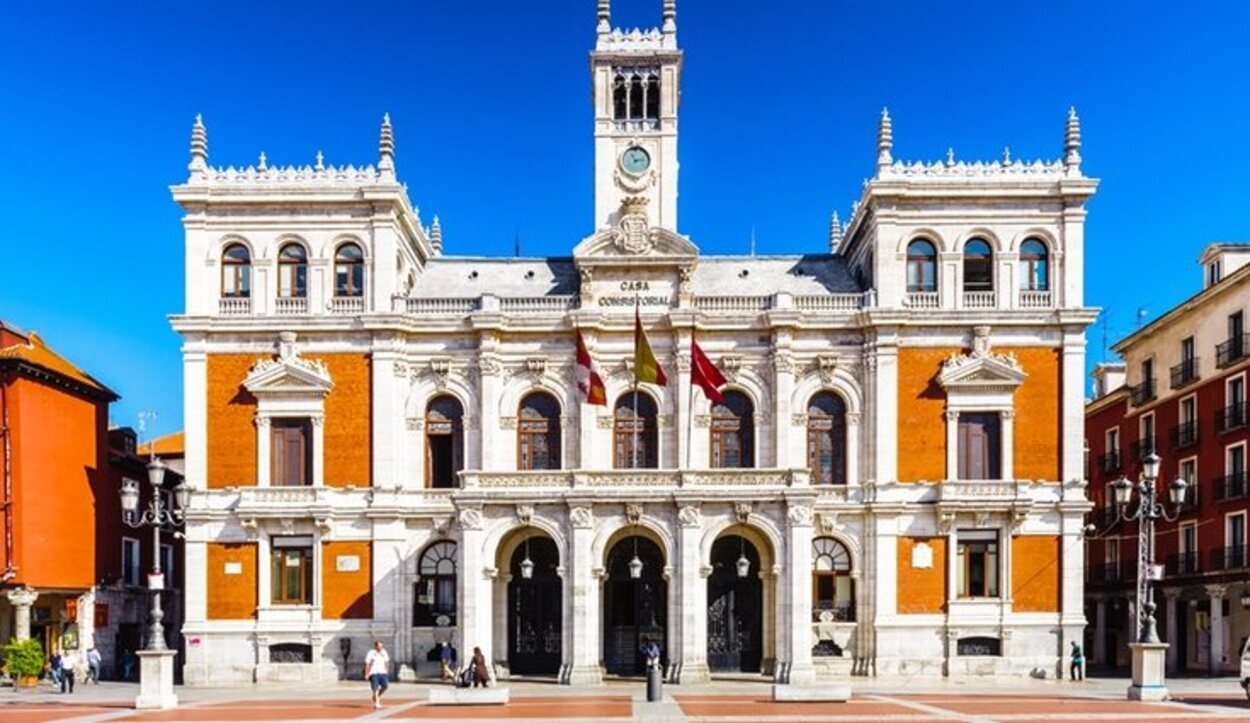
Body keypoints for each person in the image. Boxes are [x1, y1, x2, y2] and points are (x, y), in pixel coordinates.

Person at [363, 640, 390, 710]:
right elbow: (367, 663)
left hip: (383, 672)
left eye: (381, 646)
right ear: (375, 646)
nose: (380, 648)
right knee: (375, 688)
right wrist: (366, 674)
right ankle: (377, 703)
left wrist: (386, 670)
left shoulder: (384, 652)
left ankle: (375, 697)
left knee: (385, 686)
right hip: (373, 672)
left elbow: (387, 661)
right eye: (379, 646)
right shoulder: (371, 653)